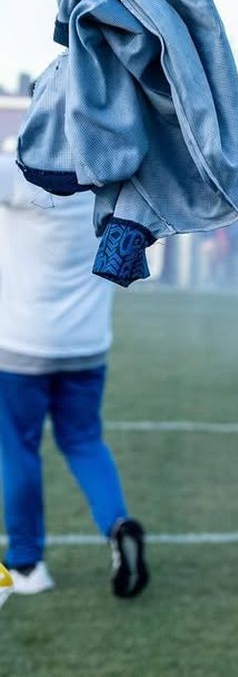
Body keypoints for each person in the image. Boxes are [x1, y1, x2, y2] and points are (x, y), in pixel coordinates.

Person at [0, 152, 149, 599]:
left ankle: (27, 566)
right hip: (86, 346)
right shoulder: (117, 179)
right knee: (84, 442)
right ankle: (116, 524)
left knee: (17, 451)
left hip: (21, 347)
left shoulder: (16, 176)